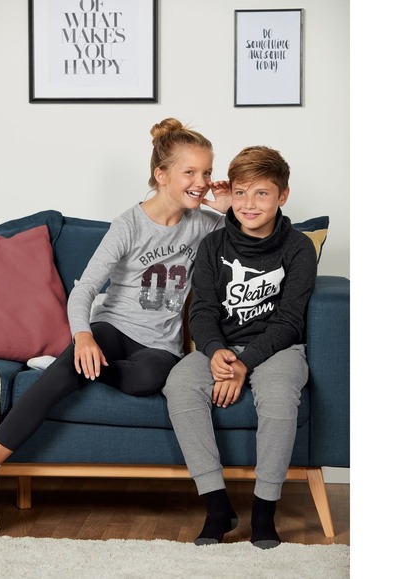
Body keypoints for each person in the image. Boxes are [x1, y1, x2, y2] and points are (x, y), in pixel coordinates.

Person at [0, 118, 231, 530]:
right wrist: (83, 336)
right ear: (161, 175)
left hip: (160, 344)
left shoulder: (206, 224)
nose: (201, 182)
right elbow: (85, 288)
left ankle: (66, 363)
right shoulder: (129, 224)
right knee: (59, 377)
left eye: (207, 173)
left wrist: (227, 208)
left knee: (147, 380)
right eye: (190, 172)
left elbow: (255, 235)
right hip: (112, 329)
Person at [162, 146, 318, 549]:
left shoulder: (299, 248)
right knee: (180, 384)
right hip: (221, 346)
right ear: (231, 193)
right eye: (241, 192)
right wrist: (215, 351)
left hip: (279, 348)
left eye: (262, 193)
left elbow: (289, 321)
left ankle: (264, 511)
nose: (250, 204)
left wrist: (244, 364)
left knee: (280, 395)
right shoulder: (213, 245)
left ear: (283, 195)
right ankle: (217, 507)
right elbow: (203, 311)